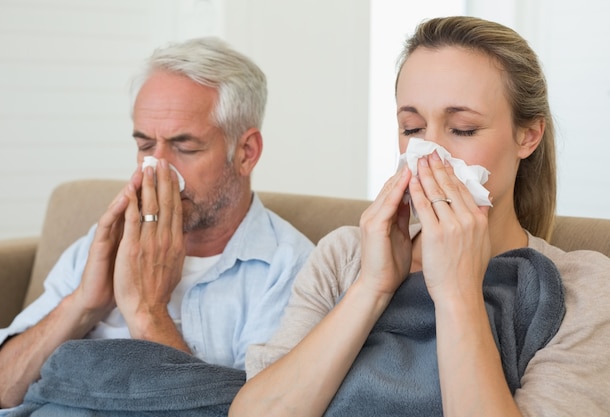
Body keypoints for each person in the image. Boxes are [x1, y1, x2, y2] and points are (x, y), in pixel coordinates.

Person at [229, 16, 610, 417]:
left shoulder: (582, 288)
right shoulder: (345, 254)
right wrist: (372, 287)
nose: (429, 153)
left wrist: (458, 295)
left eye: (462, 129)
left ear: (527, 136)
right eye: (412, 128)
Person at [0, 37, 314, 414]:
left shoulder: (289, 271)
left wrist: (148, 313)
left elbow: (251, 412)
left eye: (184, 147)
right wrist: (81, 305)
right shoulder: (108, 243)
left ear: (246, 152)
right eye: (144, 146)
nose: (156, 170)